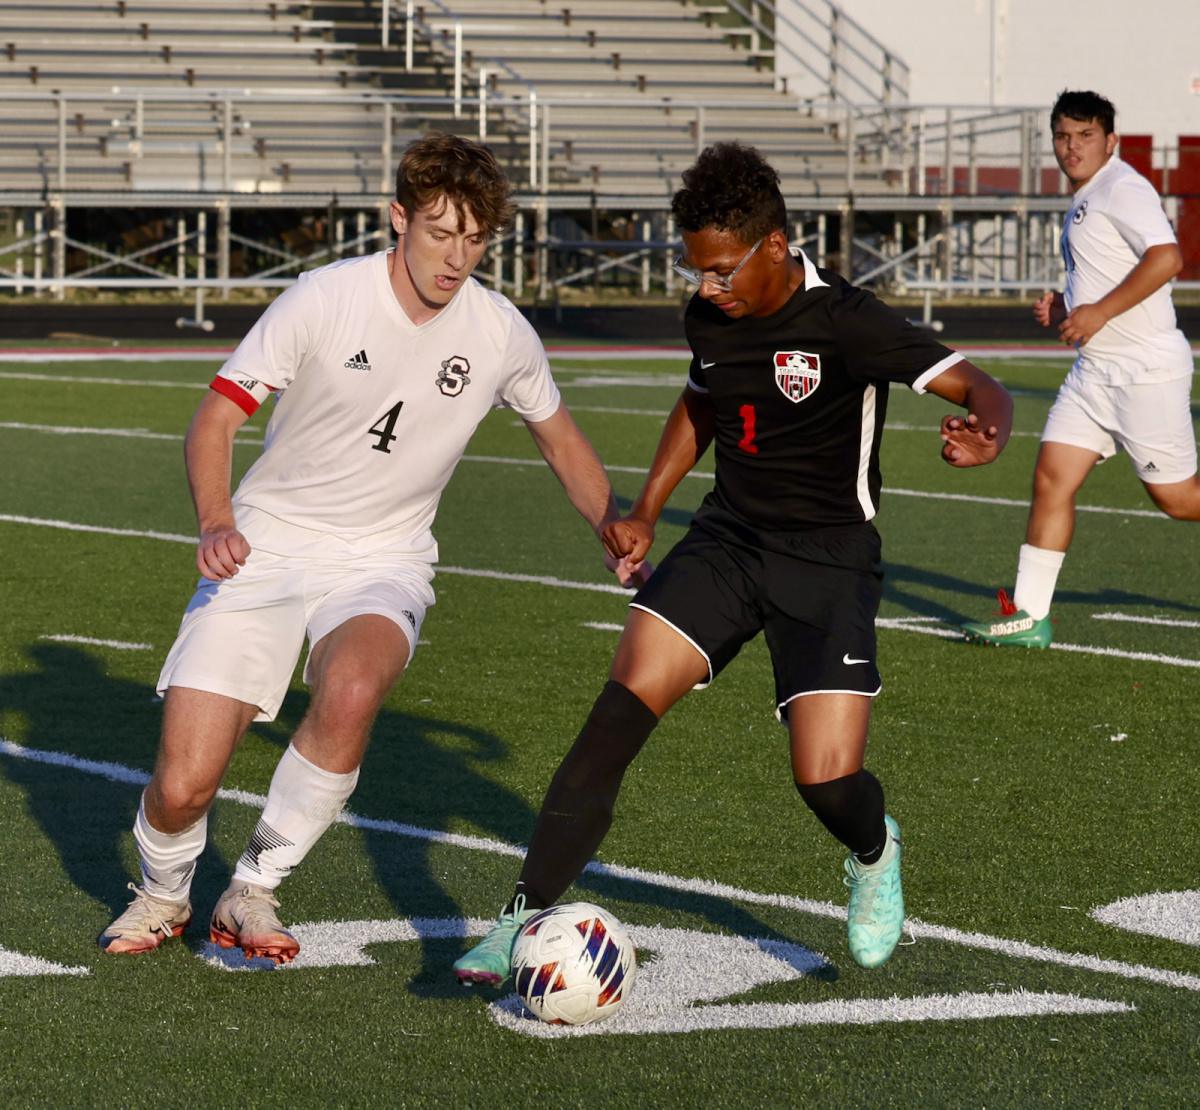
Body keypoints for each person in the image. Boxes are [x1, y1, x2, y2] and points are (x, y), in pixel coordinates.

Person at [453, 142, 1013, 981]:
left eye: (721, 270)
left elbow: (983, 387)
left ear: (775, 247)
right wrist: (645, 509)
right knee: (615, 715)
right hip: (729, 540)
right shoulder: (710, 315)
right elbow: (702, 399)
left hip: (830, 563)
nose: (707, 288)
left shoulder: (848, 319)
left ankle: (873, 849)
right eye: (697, 272)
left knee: (827, 782)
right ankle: (519, 917)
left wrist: (987, 433)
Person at [99, 132, 642, 963]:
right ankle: (164, 895)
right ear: (398, 218)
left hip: (382, 560)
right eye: (439, 232)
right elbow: (216, 416)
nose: (456, 257)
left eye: (474, 238)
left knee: (352, 688)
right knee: (181, 788)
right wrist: (216, 521)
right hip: (267, 546)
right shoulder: (325, 297)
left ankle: (251, 889)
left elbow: (561, 440)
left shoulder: (499, 331)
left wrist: (614, 523)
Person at [962, 90, 1197, 648]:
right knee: (1050, 478)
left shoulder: (1123, 187)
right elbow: (1106, 277)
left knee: (1178, 500)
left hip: (1143, 372)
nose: (1073, 147)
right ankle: (1029, 616)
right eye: (1063, 136)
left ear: (1110, 141)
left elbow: (1168, 259)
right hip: (1095, 373)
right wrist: (1068, 308)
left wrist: (1095, 311)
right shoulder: (1087, 198)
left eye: (1086, 135)